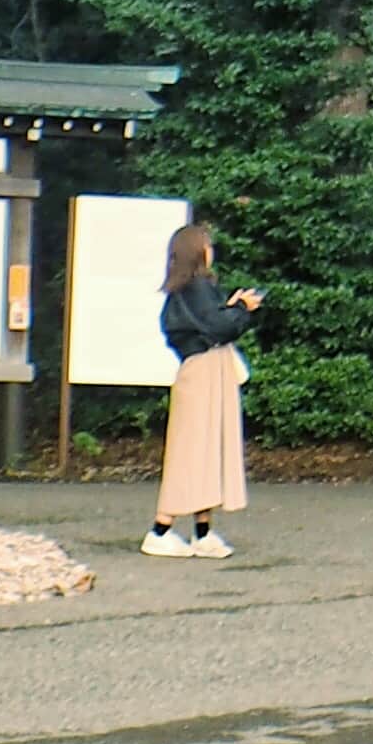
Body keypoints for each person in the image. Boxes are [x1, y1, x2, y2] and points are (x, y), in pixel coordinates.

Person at [147, 220, 263, 561]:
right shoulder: (197, 287)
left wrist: (230, 307)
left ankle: (202, 532)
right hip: (206, 371)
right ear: (198, 252)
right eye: (208, 245)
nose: (212, 251)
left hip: (197, 368)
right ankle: (160, 530)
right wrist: (242, 309)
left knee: (204, 450)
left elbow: (198, 325)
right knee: (194, 450)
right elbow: (219, 327)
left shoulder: (182, 289)